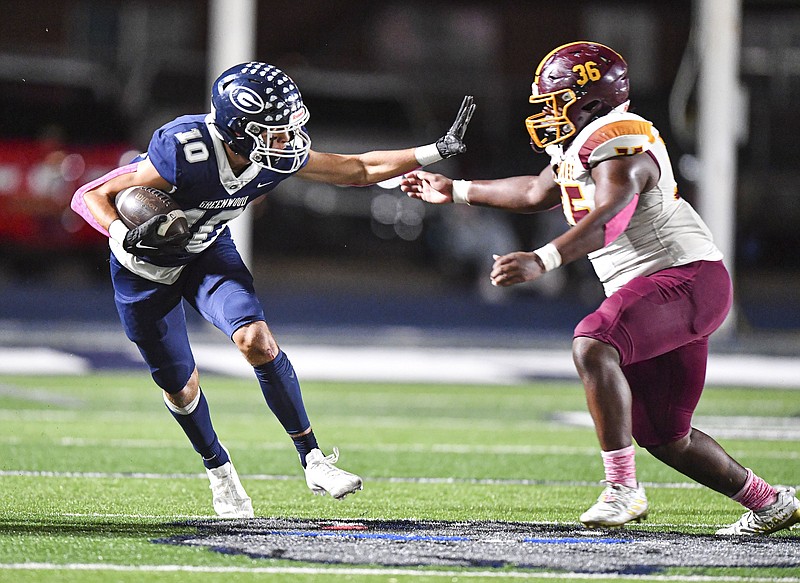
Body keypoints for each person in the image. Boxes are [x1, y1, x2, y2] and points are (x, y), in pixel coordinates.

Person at [401, 41, 800, 535]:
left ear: (590, 99)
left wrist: (543, 259)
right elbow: (534, 191)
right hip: (661, 289)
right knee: (664, 433)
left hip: (685, 278)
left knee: (594, 342)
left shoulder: (622, 139)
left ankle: (623, 490)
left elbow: (608, 220)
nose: (546, 112)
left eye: (555, 99)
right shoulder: (583, 142)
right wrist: (456, 190)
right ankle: (770, 501)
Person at [71, 61, 475, 518]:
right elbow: (89, 195)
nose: (288, 140)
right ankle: (219, 470)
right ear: (239, 131)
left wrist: (434, 149)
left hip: (205, 253)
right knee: (181, 389)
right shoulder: (186, 150)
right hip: (143, 269)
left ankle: (314, 460)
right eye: (275, 131)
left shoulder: (270, 155)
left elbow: (358, 168)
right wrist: (121, 233)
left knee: (256, 340)